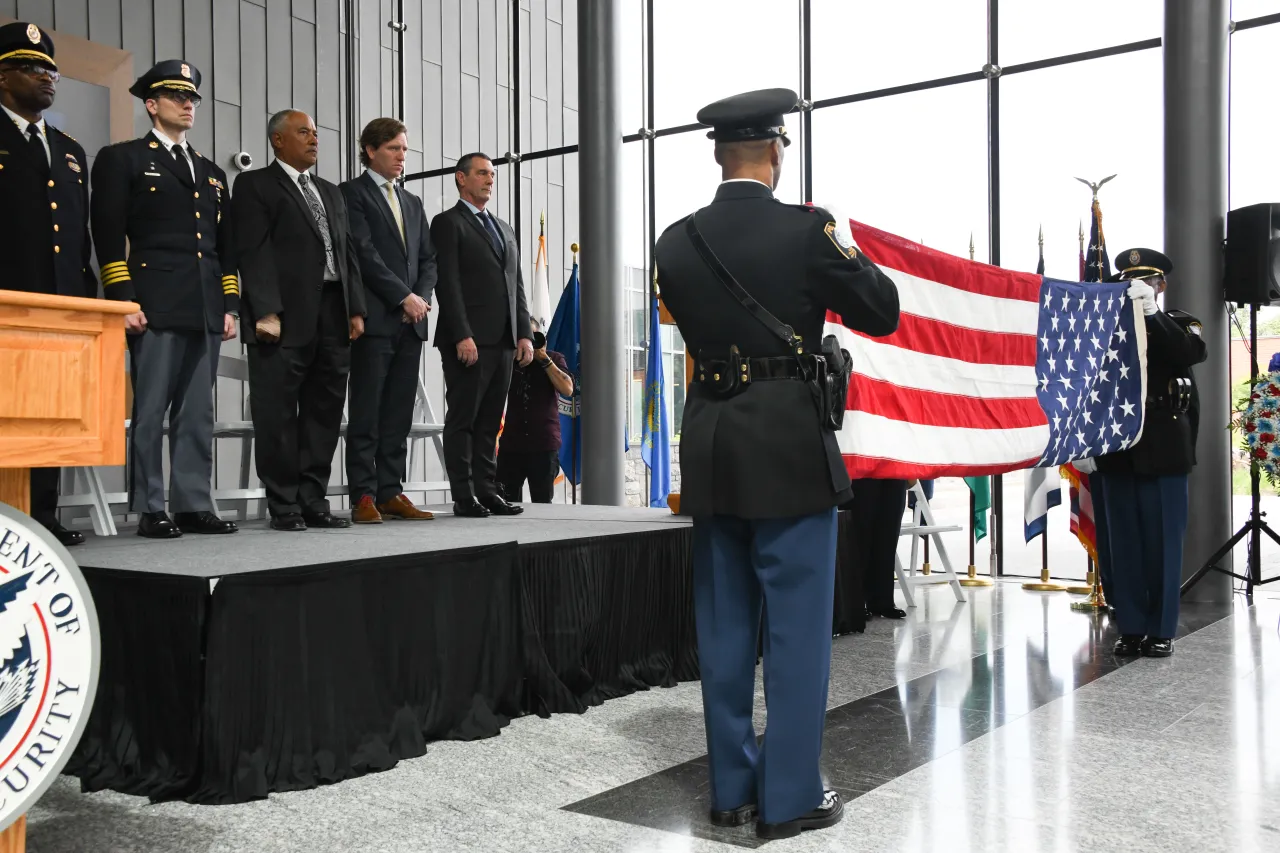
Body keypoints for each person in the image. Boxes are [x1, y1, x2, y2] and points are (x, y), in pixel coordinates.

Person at [655, 88, 899, 839]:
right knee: (794, 631)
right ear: (773, 151)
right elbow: (881, 309)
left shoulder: (675, 239)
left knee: (724, 625)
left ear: (721, 153)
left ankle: (731, 789)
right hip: (788, 447)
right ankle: (790, 794)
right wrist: (842, 242)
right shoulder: (807, 231)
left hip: (713, 443)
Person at [91, 60, 239, 539]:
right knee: (151, 409)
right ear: (152, 105)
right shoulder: (125, 158)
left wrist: (229, 304)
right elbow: (108, 236)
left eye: (192, 97)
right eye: (177, 97)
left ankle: (194, 503)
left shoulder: (214, 172)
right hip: (153, 301)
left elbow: (226, 246)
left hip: (203, 303)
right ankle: (151, 505)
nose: (188, 104)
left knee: (198, 411)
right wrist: (124, 299)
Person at [233, 110, 367, 531]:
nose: (314, 139)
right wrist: (266, 310)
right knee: (277, 414)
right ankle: (284, 503)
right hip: (283, 316)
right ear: (277, 140)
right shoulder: (255, 184)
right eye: (303, 132)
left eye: (316, 132)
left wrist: (356, 308)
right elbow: (252, 251)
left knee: (324, 411)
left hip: (333, 311)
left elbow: (346, 253)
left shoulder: (331, 191)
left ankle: (313, 498)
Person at [0, 22, 96, 546]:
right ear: (3, 75)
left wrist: (86, 304)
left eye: (51, 69)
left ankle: (43, 514)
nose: (48, 77)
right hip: (7, 304)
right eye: (33, 68)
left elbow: (76, 235)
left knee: (51, 414)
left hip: (59, 306)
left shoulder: (68, 149)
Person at [1096, 248, 1207, 658]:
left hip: (1163, 447)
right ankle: (1130, 626)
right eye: (1128, 282)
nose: (1137, 288)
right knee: (1122, 544)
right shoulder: (1105, 327)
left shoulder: (1177, 322)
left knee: (1162, 544)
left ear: (1161, 286)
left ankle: (1161, 629)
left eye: (1146, 283)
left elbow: (1188, 353)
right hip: (1116, 445)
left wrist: (1151, 314)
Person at [341, 117, 437, 524]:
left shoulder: (412, 202)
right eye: (394, 148)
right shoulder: (352, 194)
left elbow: (429, 260)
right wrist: (403, 295)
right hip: (377, 319)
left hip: (410, 322)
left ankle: (391, 490)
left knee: (399, 412)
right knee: (368, 409)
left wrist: (421, 299)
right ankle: (363, 494)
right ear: (370, 150)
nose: (402, 156)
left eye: (404, 149)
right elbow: (364, 253)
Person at [431, 152, 533, 518]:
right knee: (465, 417)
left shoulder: (504, 228)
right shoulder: (447, 223)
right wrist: (462, 334)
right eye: (482, 174)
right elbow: (448, 283)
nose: (490, 180)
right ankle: (464, 495)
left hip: (504, 340)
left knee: (491, 420)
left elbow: (515, 285)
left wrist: (524, 334)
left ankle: (487, 491)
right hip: (469, 340)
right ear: (461, 178)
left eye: (492, 174)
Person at [496, 319, 573, 503]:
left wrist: (543, 358)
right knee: (506, 501)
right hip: (512, 444)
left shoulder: (554, 358)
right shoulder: (508, 360)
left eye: (531, 337)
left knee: (543, 502)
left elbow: (568, 389)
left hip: (544, 444)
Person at [844, 479, 908, 619]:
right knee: (859, 532)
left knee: (888, 532)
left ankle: (883, 601)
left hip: (892, 467)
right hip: (862, 466)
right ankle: (855, 602)